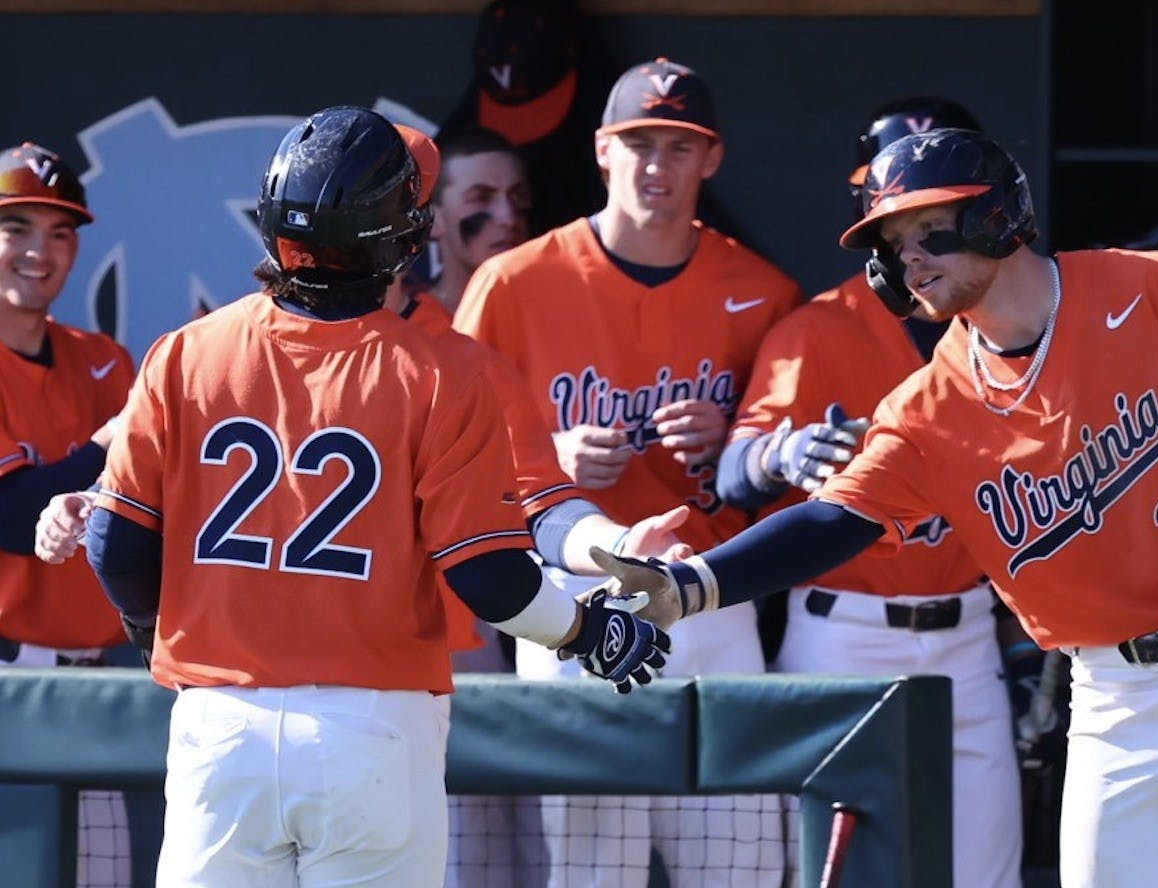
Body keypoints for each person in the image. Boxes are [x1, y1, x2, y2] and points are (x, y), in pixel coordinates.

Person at [590, 127, 1158, 887]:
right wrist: (690, 585)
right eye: (894, 246)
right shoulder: (929, 405)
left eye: (930, 231)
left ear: (998, 216)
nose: (910, 258)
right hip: (1109, 696)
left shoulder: (1153, 286)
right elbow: (831, 520)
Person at [83, 106, 669, 887]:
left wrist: (146, 614)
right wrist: (585, 631)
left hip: (219, 726)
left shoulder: (187, 352)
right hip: (372, 730)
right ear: (402, 236)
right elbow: (489, 576)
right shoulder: (441, 371)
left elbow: (115, 546)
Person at [452, 57, 802, 888]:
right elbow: (453, 457)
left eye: (680, 146)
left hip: (713, 589)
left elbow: (783, 462)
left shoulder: (763, 290)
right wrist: (551, 463)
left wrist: (734, 438)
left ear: (710, 159)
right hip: (575, 604)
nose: (658, 165)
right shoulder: (513, 283)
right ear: (604, 150)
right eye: (640, 142)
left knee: (741, 863)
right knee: (589, 867)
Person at [713, 97, 1026, 888]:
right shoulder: (818, 327)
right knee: (830, 875)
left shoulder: (1020, 324)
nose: (920, 235)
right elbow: (731, 475)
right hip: (842, 634)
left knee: (986, 873)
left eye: (942, 209)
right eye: (900, 210)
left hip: (970, 638)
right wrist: (780, 452)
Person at [0, 141, 136, 888]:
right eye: (16, 226)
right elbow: (13, 515)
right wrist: (108, 445)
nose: (38, 250)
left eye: (58, 232)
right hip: (8, 688)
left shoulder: (106, 360)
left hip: (96, 688)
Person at [425, 127, 532, 315]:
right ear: (433, 219)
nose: (508, 218)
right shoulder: (412, 331)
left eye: (518, 196)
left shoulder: (557, 311)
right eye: (481, 198)